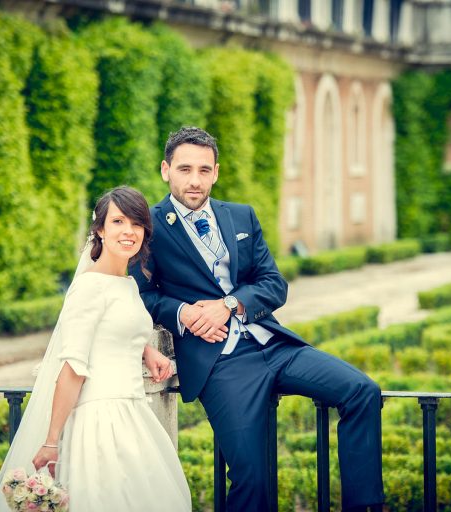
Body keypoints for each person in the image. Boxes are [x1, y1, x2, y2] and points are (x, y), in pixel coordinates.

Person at [129, 127, 385, 512]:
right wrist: (184, 312)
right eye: (184, 169)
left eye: (203, 169)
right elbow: (141, 296)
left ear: (216, 172)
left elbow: (273, 285)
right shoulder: (148, 226)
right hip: (220, 363)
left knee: (362, 390)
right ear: (166, 170)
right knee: (252, 478)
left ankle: (364, 506)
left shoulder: (241, 215)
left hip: (274, 346)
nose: (194, 180)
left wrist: (228, 304)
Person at [0, 186, 192, 512]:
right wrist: (52, 441)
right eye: (118, 222)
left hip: (133, 412)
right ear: (100, 230)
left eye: (137, 224)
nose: (129, 231)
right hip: (101, 422)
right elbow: (73, 368)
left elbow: (114, 328)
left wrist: (145, 349)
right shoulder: (88, 287)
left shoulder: (127, 284)